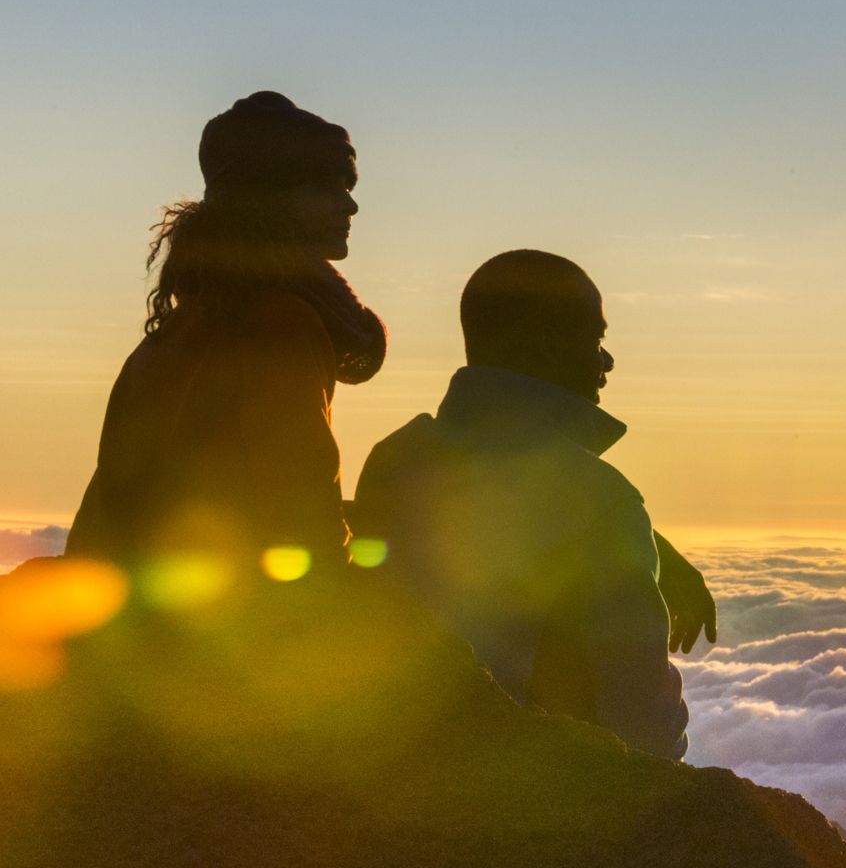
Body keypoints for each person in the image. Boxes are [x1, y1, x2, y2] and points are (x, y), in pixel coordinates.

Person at [351, 250, 711, 759]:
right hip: (523, 786)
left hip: (390, 760)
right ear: (547, 343)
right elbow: (640, 717)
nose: (606, 362)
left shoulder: (393, 458)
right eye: (597, 340)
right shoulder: (598, 497)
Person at [66, 91, 383, 569]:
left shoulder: (177, 329)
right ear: (267, 198)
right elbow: (302, 509)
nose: (350, 205)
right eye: (325, 185)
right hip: (231, 620)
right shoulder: (278, 323)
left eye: (348, 184)